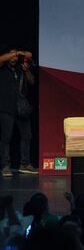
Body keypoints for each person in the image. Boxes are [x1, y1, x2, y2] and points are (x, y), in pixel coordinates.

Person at [0, 46, 38, 177]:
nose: (13, 57)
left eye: (15, 56)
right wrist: (19, 52)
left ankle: (25, 164)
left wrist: (27, 72)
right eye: (11, 55)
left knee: (27, 136)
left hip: (21, 109)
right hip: (6, 108)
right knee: (6, 138)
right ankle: (5, 165)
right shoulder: (3, 67)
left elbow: (32, 82)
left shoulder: (20, 68)